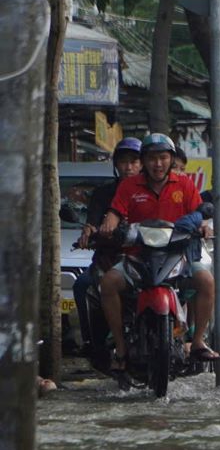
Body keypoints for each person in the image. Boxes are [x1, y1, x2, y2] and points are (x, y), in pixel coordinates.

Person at [97, 133, 219, 378]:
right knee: (108, 283)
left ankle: (197, 342)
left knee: (206, 281)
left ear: (171, 160)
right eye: (152, 158)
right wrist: (109, 223)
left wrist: (204, 226)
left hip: (177, 256)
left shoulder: (184, 184)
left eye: (163, 157)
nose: (158, 164)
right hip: (138, 257)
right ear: (144, 161)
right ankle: (121, 349)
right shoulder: (129, 186)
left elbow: (199, 214)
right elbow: (115, 211)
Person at [75, 137, 144, 362]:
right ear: (115, 165)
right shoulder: (104, 193)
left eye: (134, 161)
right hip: (110, 258)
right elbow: (93, 220)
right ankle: (93, 343)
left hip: (145, 257)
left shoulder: (151, 192)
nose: (129, 167)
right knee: (83, 285)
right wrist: (89, 231)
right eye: (123, 162)